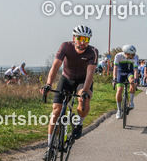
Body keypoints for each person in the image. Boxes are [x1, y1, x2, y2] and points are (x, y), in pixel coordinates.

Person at [41, 25, 98, 154]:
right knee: (56, 110)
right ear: (74, 38)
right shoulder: (65, 46)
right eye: (80, 38)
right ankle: (49, 147)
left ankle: (79, 123)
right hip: (66, 79)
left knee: (84, 100)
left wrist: (84, 91)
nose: (83, 42)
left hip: (83, 81)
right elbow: (55, 66)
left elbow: (90, 73)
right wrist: (48, 84)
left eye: (86, 39)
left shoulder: (93, 51)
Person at [112, 44, 138, 118]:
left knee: (132, 81)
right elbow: (115, 68)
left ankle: (131, 102)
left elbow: (135, 70)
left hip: (129, 72)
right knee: (119, 90)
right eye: (132, 54)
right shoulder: (118, 56)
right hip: (120, 72)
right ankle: (119, 110)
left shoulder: (135, 57)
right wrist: (114, 78)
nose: (134, 55)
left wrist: (136, 79)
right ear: (126, 54)